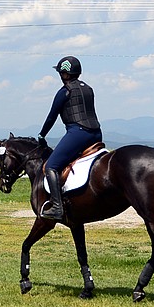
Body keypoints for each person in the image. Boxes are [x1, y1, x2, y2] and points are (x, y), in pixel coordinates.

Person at [35, 56, 102, 220]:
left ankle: (57, 207)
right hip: (96, 133)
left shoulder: (64, 92)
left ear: (65, 74)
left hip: (78, 133)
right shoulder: (88, 89)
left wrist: (42, 135)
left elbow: (52, 117)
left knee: (51, 166)